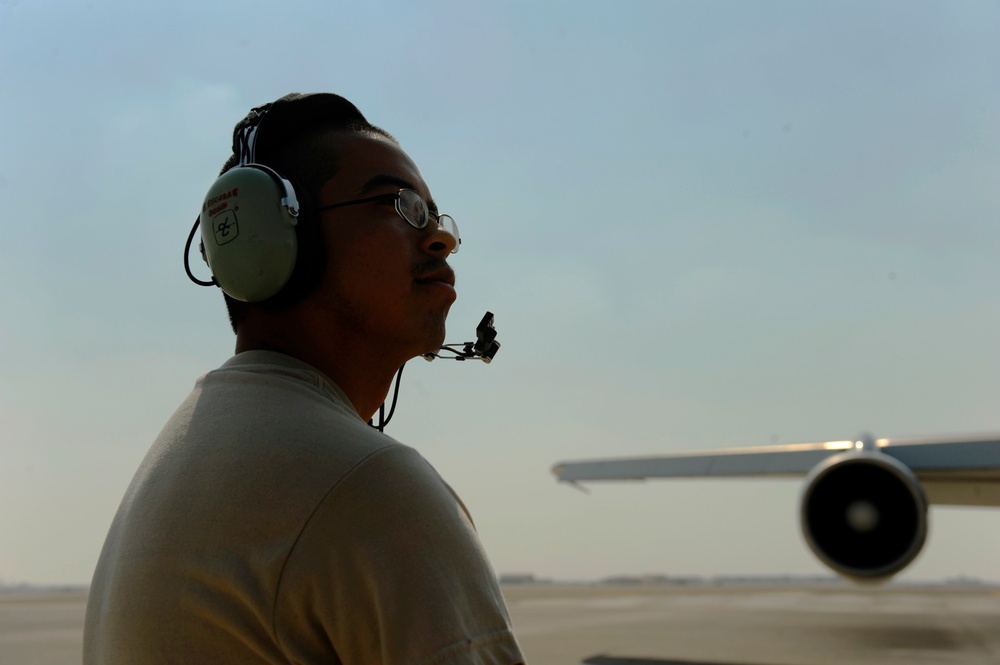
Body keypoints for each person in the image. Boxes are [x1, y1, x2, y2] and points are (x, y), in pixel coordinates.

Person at [84, 93, 524, 664]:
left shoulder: (180, 460)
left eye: (436, 217)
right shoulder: (368, 487)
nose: (440, 238)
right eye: (399, 204)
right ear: (275, 239)